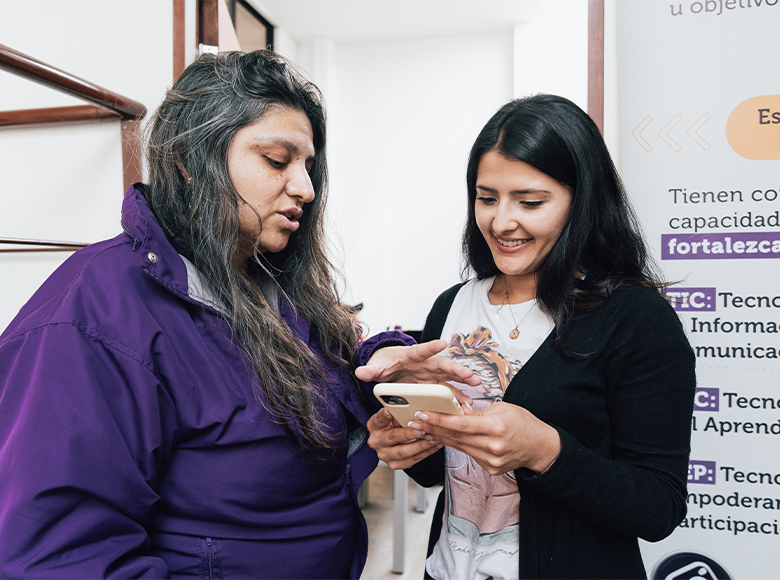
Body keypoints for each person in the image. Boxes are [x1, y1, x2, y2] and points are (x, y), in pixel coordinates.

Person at [0, 50, 478, 579]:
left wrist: (380, 361)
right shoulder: (90, 318)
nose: (306, 189)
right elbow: (62, 557)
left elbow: (323, 360)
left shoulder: (261, 275)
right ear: (188, 158)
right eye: (277, 161)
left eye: (309, 167)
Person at [367, 94, 696, 580]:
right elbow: (443, 473)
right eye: (486, 198)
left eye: (530, 202)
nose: (500, 222)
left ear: (581, 201)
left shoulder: (637, 319)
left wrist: (546, 452)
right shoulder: (452, 305)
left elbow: (658, 506)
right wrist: (407, 447)